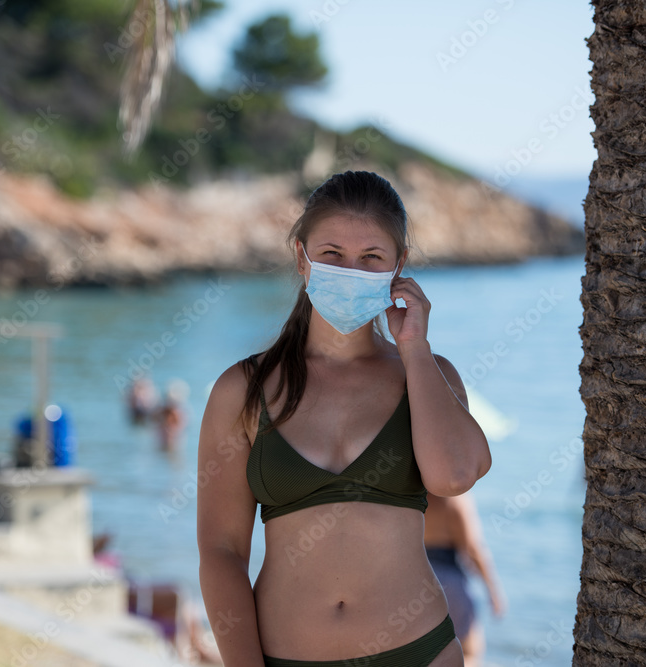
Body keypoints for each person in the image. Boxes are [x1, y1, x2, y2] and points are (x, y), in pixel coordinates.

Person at [196, 171, 492, 666]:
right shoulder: (243, 390)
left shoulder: (427, 375)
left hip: (418, 652)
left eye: (370, 258)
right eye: (332, 254)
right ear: (302, 258)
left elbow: (454, 477)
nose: (350, 270)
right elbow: (222, 551)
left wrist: (414, 347)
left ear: (397, 267)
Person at [423, 492, 506, 667]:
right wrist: (493, 590)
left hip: (417, 580)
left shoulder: (411, 496)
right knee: (469, 652)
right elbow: (473, 548)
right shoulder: (454, 500)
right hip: (448, 581)